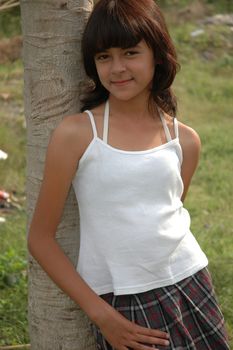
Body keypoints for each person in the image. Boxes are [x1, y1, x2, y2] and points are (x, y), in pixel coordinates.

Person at [28, 0, 230, 349]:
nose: (117, 68)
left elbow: (166, 213)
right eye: (104, 56)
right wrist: (103, 316)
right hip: (124, 301)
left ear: (158, 55)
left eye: (131, 53)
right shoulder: (78, 133)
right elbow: (40, 239)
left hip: (191, 282)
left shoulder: (184, 139)